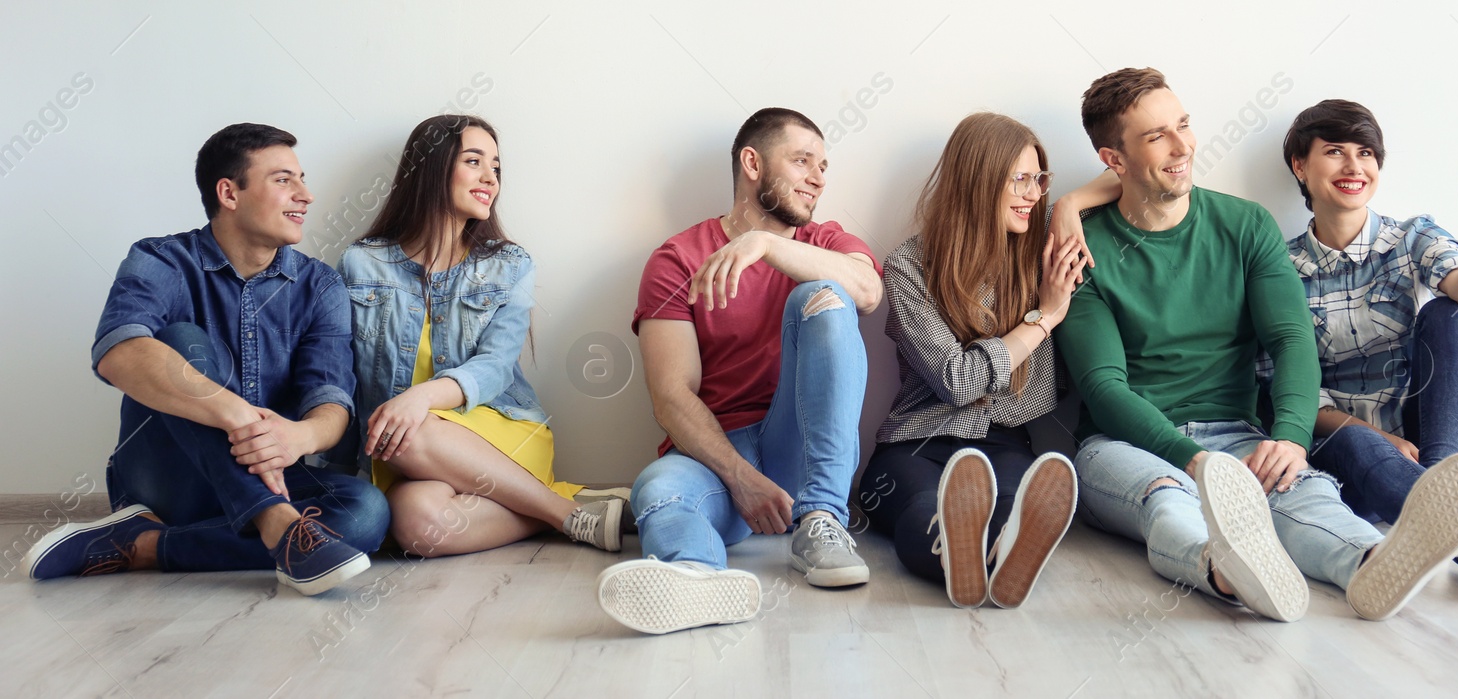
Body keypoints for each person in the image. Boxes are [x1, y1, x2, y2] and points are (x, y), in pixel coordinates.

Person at [1054, 68, 1458, 623]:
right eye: (1155, 136)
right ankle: (1225, 571)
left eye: (1183, 125)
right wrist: (1192, 460)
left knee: (1304, 492)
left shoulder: (1244, 226)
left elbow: (1290, 341)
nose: (1182, 145)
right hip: (1123, 446)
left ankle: (1373, 561)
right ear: (1113, 160)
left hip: (1239, 433)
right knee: (1168, 497)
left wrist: (1289, 439)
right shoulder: (1082, 248)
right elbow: (1102, 386)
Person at [24, 124, 387, 595]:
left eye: (302, 179)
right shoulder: (161, 259)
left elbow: (332, 401)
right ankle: (277, 522)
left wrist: (296, 436)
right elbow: (117, 351)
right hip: (169, 481)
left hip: (271, 470)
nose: (306, 195)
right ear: (228, 192)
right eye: (284, 180)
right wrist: (234, 412)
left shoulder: (320, 286)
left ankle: (146, 546)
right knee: (178, 340)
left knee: (367, 513)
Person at [596, 108, 883, 635]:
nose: (818, 178)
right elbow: (671, 396)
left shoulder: (825, 242)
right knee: (656, 491)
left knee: (824, 297)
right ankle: (696, 579)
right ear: (753, 163)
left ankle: (821, 520)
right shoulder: (679, 259)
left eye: (824, 166)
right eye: (802, 162)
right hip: (718, 457)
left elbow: (867, 292)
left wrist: (767, 244)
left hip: (797, 450)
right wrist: (741, 478)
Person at [1277, 99, 1458, 599]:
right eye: (1334, 151)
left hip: (1435, 446)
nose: (1354, 167)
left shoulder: (1411, 237)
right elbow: (1288, 390)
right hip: (1352, 459)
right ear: (1300, 165)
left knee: (1450, 311)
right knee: (1354, 439)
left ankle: (1441, 482)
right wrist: (1375, 438)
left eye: (1366, 153)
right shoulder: (1279, 268)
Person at [339, 115, 626, 556]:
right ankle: (563, 506)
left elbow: (495, 367)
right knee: (416, 524)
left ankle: (566, 516)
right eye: (474, 161)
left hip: (499, 430)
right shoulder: (362, 264)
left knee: (410, 428)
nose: (490, 177)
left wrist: (422, 398)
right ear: (432, 168)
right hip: (403, 449)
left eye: (495, 166)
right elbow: (340, 373)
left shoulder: (509, 264)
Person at [861, 112, 1106, 608]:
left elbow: (1130, 172)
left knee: (1017, 505)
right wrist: (1044, 318)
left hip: (1006, 443)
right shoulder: (911, 265)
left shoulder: (1044, 251)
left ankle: (998, 554)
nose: (1033, 194)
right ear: (977, 179)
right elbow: (958, 379)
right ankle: (962, 559)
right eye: (1018, 178)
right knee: (922, 510)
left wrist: (1071, 204)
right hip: (916, 443)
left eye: (1040, 180)